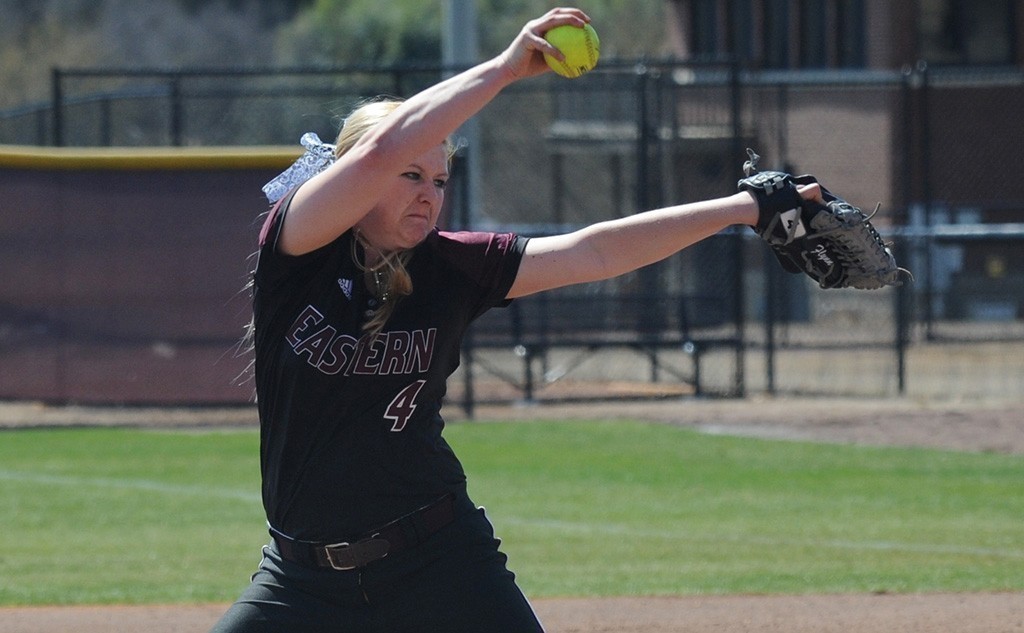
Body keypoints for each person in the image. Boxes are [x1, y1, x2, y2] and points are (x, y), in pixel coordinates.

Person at [212, 7, 821, 632]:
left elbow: (593, 252)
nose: (428, 193)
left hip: (439, 560)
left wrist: (743, 208)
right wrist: (504, 69)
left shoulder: (452, 267)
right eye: (412, 175)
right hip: (302, 580)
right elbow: (379, 151)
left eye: (440, 180)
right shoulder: (299, 249)